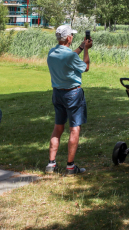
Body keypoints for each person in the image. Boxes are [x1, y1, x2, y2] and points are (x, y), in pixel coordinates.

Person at [46, 25, 92, 175]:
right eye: (71, 34)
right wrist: (86, 49)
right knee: (74, 129)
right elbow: (85, 67)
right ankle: (70, 166)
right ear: (69, 38)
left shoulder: (52, 53)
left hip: (57, 94)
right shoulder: (70, 56)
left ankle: (51, 164)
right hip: (72, 94)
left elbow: (69, 57)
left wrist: (80, 46)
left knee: (58, 128)